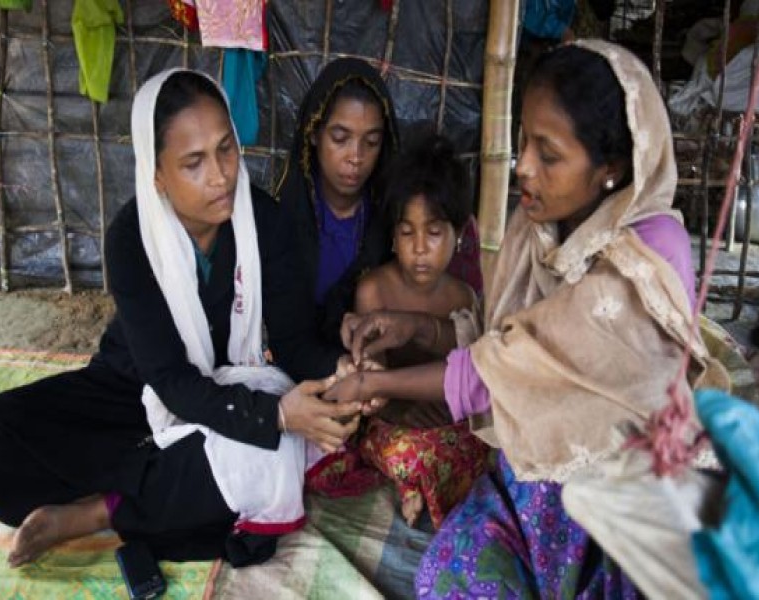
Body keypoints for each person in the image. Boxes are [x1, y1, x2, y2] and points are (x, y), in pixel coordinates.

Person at [327, 40, 727, 597]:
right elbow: (504, 341)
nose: (524, 168)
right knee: (450, 577)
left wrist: (369, 382)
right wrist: (414, 328)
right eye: (522, 143)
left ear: (609, 167)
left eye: (549, 154)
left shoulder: (645, 260)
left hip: (627, 488)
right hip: (532, 475)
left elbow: (503, 371)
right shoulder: (537, 227)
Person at [0, 69, 360, 570]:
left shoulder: (265, 222)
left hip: (232, 386)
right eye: (194, 162)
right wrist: (274, 416)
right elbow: (168, 380)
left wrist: (340, 370)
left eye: (226, 149)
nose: (221, 175)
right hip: (134, 389)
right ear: (157, 175)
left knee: (274, 451)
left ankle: (96, 512)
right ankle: (164, 486)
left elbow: (295, 344)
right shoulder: (132, 239)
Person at [348, 133, 490, 528]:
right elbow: (370, 384)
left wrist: (445, 410)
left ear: (459, 233)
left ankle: (418, 489)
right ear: (393, 236)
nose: (420, 248)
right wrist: (405, 409)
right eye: (407, 232)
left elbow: (470, 380)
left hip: (444, 422)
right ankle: (418, 486)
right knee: (403, 451)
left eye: (434, 232)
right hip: (394, 424)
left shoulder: (463, 298)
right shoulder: (374, 290)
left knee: (484, 444)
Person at [270, 57, 400, 382]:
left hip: (367, 375)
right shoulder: (280, 218)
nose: (356, 156)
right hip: (286, 375)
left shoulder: (392, 224)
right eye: (340, 138)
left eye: (371, 142)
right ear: (314, 134)